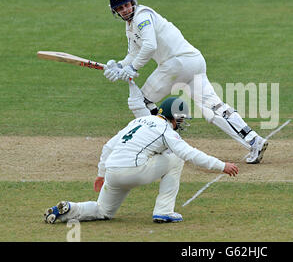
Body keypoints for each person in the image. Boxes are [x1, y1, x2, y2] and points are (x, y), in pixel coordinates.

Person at [103, 0, 268, 164]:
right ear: (115, 12)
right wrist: (120, 65)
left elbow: (150, 46)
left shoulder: (142, 16)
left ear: (133, 2)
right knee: (213, 108)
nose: (125, 10)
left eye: (126, 5)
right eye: (120, 8)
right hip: (193, 61)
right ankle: (253, 140)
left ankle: (164, 145)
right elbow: (133, 53)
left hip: (176, 64)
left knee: (141, 101)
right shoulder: (130, 27)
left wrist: (133, 68)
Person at [44, 93, 239, 224]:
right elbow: (189, 153)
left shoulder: (137, 121)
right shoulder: (165, 130)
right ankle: (164, 211)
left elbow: (108, 146)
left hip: (112, 171)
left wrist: (101, 174)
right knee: (177, 159)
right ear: (174, 116)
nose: (182, 122)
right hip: (134, 171)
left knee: (103, 211)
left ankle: (69, 209)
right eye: (181, 118)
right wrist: (222, 165)